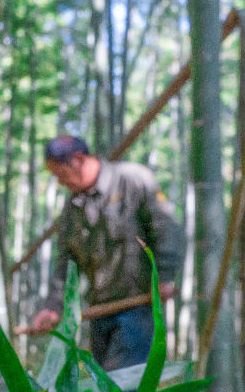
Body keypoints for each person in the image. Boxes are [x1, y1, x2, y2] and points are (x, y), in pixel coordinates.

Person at [32, 134, 184, 372]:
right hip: (99, 312)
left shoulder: (132, 180)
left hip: (138, 306)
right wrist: (53, 306)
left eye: (61, 174)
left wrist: (163, 277)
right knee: (105, 391)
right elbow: (66, 262)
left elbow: (167, 230)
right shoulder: (73, 208)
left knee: (123, 390)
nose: (61, 183)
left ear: (79, 160)